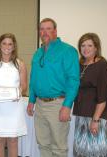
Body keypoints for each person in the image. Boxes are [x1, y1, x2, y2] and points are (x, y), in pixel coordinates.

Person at [27, 18, 80, 157]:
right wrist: (31, 101)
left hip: (58, 104)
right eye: (42, 29)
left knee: (59, 147)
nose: (44, 32)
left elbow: (73, 80)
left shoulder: (68, 51)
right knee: (43, 144)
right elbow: (33, 79)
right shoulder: (38, 53)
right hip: (40, 105)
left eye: (48, 28)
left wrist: (67, 106)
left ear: (55, 31)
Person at [0, 33, 27, 157]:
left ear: (14, 47)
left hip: (14, 106)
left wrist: (17, 93)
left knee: (13, 140)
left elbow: (24, 86)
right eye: (4, 43)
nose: (7, 46)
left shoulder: (20, 64)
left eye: (10, 44)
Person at [73, 33, 107, 157]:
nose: (85, 49)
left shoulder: (102, 66)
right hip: (82, 115)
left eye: (90, 45)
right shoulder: (80, 65)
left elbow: (104, 96)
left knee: (97, 152)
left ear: (96, 48)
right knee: (81, 151)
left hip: (97, 117)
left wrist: (95, 120)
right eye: (83, 45)